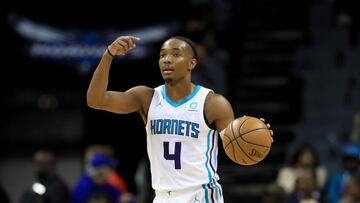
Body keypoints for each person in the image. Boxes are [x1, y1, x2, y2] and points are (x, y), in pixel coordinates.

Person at [86, 35, 273, 203]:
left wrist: (255, 135)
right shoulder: (146, 98)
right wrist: (108, 55)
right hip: (162, 197)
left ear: (192, 63)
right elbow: (96, 100)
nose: (167, 59)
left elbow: (234, 143)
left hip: (201, 196)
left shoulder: (212, 103)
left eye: (176, 54)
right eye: (162, 55)